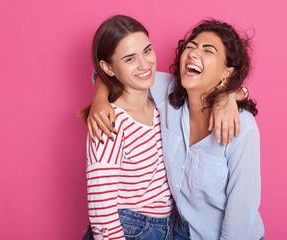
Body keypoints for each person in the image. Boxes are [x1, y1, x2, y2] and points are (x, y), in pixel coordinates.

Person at [89, 18, 265, 240]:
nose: (192, 53)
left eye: (208, 50)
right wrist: (99, 98)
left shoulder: (242, 127)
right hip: (177, 233)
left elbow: (242, 215)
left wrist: (231, 94)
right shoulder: (168, 93)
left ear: (227, 72)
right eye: (190, 47)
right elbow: (120, 73)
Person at [81, 15, 174, 240]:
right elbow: (101, 208)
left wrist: (232, 95)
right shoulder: (110, 121)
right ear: (108, 68)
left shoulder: (163, 102)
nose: (145, 64)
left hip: (165, 226)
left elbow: (204, 86)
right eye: (130, 59)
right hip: (130, 229)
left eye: (147, 50)